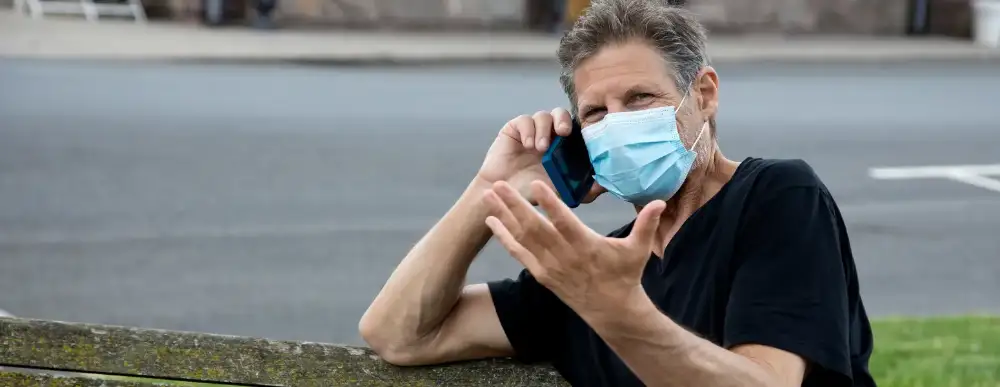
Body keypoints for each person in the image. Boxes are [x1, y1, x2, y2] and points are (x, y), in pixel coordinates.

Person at [359, 1, 876, 386]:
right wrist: (490, 189)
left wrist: (617, 312)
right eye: (596, 113)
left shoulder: (776, 196)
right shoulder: (593, 268)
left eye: (641, 98)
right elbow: (400, 333)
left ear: (704, 94)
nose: (620, 123)